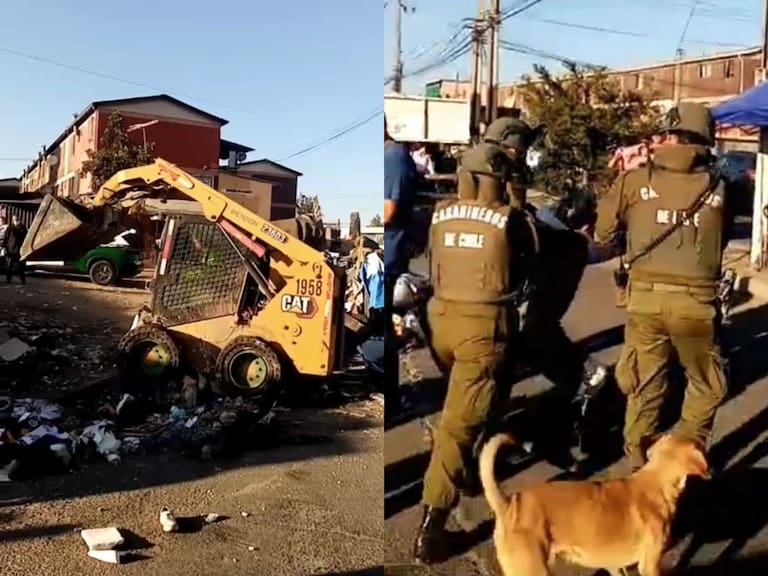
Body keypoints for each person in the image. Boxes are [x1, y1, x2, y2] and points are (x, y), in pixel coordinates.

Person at [589, 102, 734, 471]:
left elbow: (602, 234)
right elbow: (725, 236)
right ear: (706, 139)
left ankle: (640, 465)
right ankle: (682, 456)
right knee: (707, 385)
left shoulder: (635, 181)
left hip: (644, 301)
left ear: (668, 136)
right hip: (697, 304)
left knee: (644, 384)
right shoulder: (721, 186)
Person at [414, 131, 534, 564]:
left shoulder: (440, 213)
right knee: (457, 425)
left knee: (475, 401)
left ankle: (470, 468)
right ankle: (432, 527)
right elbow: (529, 259)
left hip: (440, 322)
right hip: (484, 327)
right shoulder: (509, 219)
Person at [384, 118, 419, 421]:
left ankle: (391, 402)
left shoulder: (394, 157)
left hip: (392, 254)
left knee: (387, 331)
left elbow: (389, 210)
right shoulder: (391, 156)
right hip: (390, 252)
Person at [4, 214, 27, 284]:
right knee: (9, 266)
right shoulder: (10, 227)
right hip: (10, 249)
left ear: (18, 218)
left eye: (16, 218)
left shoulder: (23, 227)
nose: (15, 219)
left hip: (20, 250)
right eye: (14, 218)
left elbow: (26, 238)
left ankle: (23, 280)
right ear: (12, 219)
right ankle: (8, 280)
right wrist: (5, 248)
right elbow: (6, 238)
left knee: (21, 266)